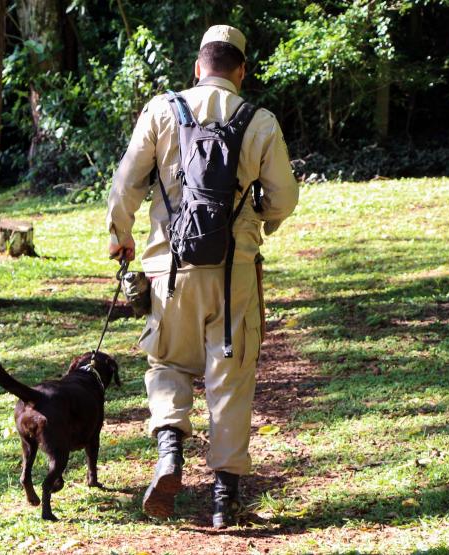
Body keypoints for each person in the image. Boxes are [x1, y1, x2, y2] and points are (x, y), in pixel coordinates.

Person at [106, 24, 298, 528]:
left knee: (167, 360)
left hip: (169, 269)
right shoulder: (260, 121)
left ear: (198, 66)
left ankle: (170, 449)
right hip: (235, 270)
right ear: (241, 71)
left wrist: (119, 235)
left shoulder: (161, 111)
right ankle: (224, 498)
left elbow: (126, 181)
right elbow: (285, 198)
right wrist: (262, 223)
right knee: (230, 379)